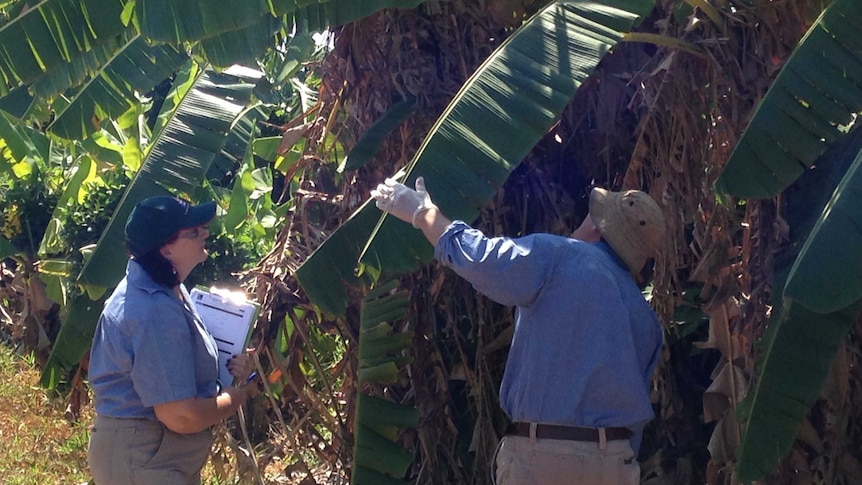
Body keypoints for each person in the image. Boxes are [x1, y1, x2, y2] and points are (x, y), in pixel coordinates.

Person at [371, 176, 666, 485]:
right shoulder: (646, 320)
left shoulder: (562, 255)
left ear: (596, 228)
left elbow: (482, 260)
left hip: (543, 458)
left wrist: (422, 213)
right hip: (616, 465)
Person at [88, 195, 256, 485]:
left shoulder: (167, 289)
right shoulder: (153, 311)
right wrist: (236, 396)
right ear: (165, 249)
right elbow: (182, 416)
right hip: (144, 459)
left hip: (154, 457)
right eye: (193, 232)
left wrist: (226, 367)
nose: (205, 233)